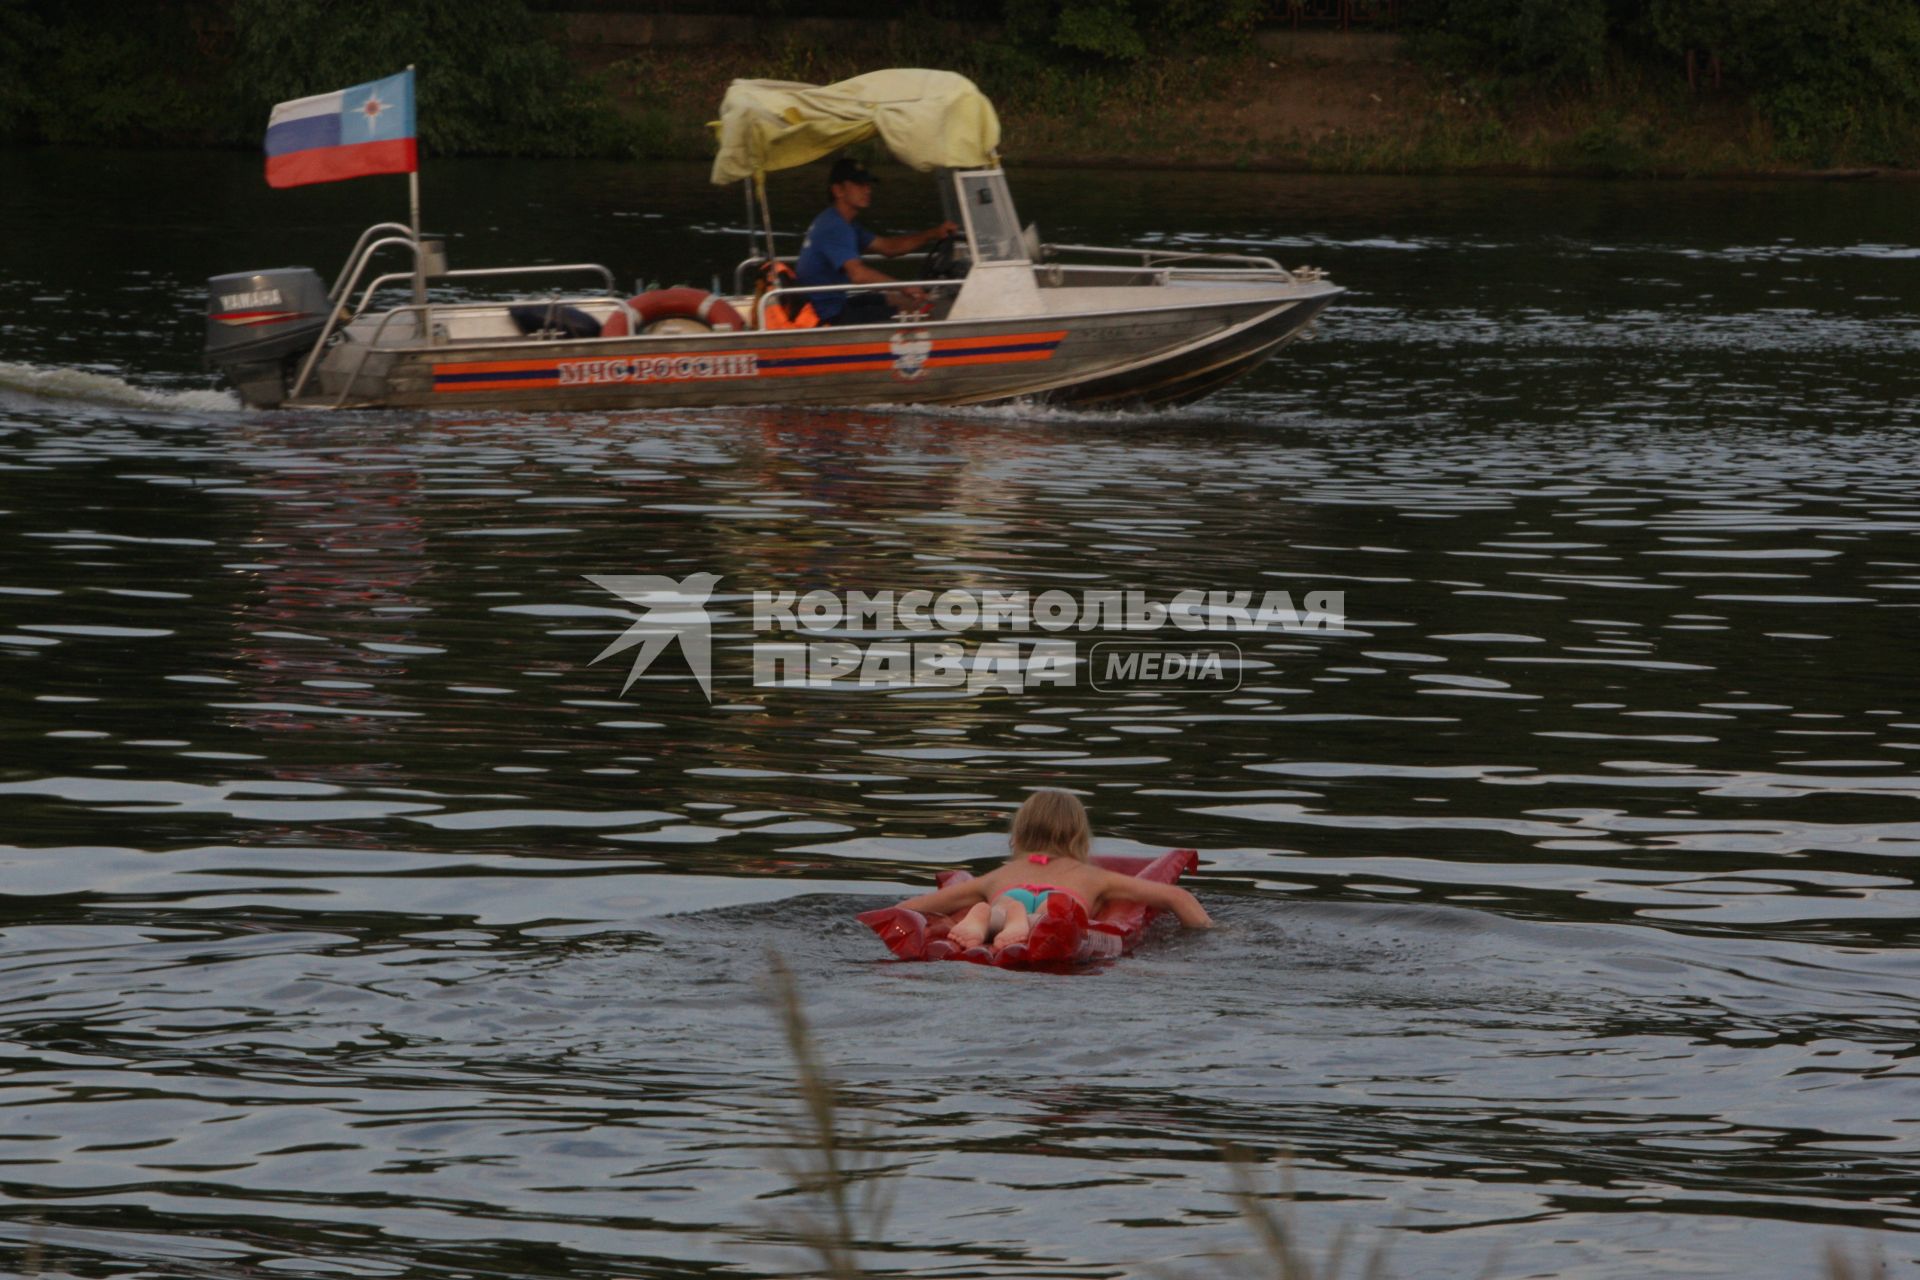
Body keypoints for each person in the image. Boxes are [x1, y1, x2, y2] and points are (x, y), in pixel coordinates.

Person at [890, 789, 1212, 952]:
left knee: (996, 910)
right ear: (1080, 841)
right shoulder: (1093, 877)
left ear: (1015, 838)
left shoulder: (999, 876)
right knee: (1051, 915)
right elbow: (1176, 897)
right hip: (1061, 903)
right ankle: (1033, 916)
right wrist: (1208, 933)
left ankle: (989, 916)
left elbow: (908, 909)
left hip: (1005, 897)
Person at [794, 157, 958, 326]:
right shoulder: (835, 226)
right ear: (838, 190)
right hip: (829, 316)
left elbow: (889, 247)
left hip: (836, 304)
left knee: (900, 300)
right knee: (916, 313)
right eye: (859, 185)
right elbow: (858, 275)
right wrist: (904, 286)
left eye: (868, 184)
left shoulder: (843, 222)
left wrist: (933, 234)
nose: (867, 190)